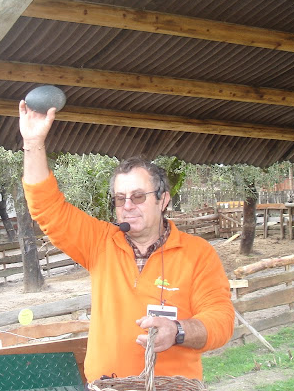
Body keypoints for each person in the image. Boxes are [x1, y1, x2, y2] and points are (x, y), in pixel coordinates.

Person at [19, 101, 234, 382]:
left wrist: (178, 331)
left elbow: (221, 320)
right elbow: (47, 208)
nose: (128, 205)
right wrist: (33, 143)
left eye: (138, 196)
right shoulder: (100, 242)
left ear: (163, 200)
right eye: (120, 199)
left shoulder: (198, 253)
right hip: (106, 385)